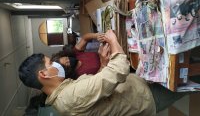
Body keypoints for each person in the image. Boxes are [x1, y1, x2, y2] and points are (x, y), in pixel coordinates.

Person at [19, 30, 195, 116]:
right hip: (145, 98)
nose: (56, 64)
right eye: (50, 63)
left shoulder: (65, 93)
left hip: (137, 86)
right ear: (44, 75)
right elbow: (120, 68)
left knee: (184, 66)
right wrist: (113, 40)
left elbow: (97, 90)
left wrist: (103, 64)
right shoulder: (70, 97)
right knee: (190, 78)